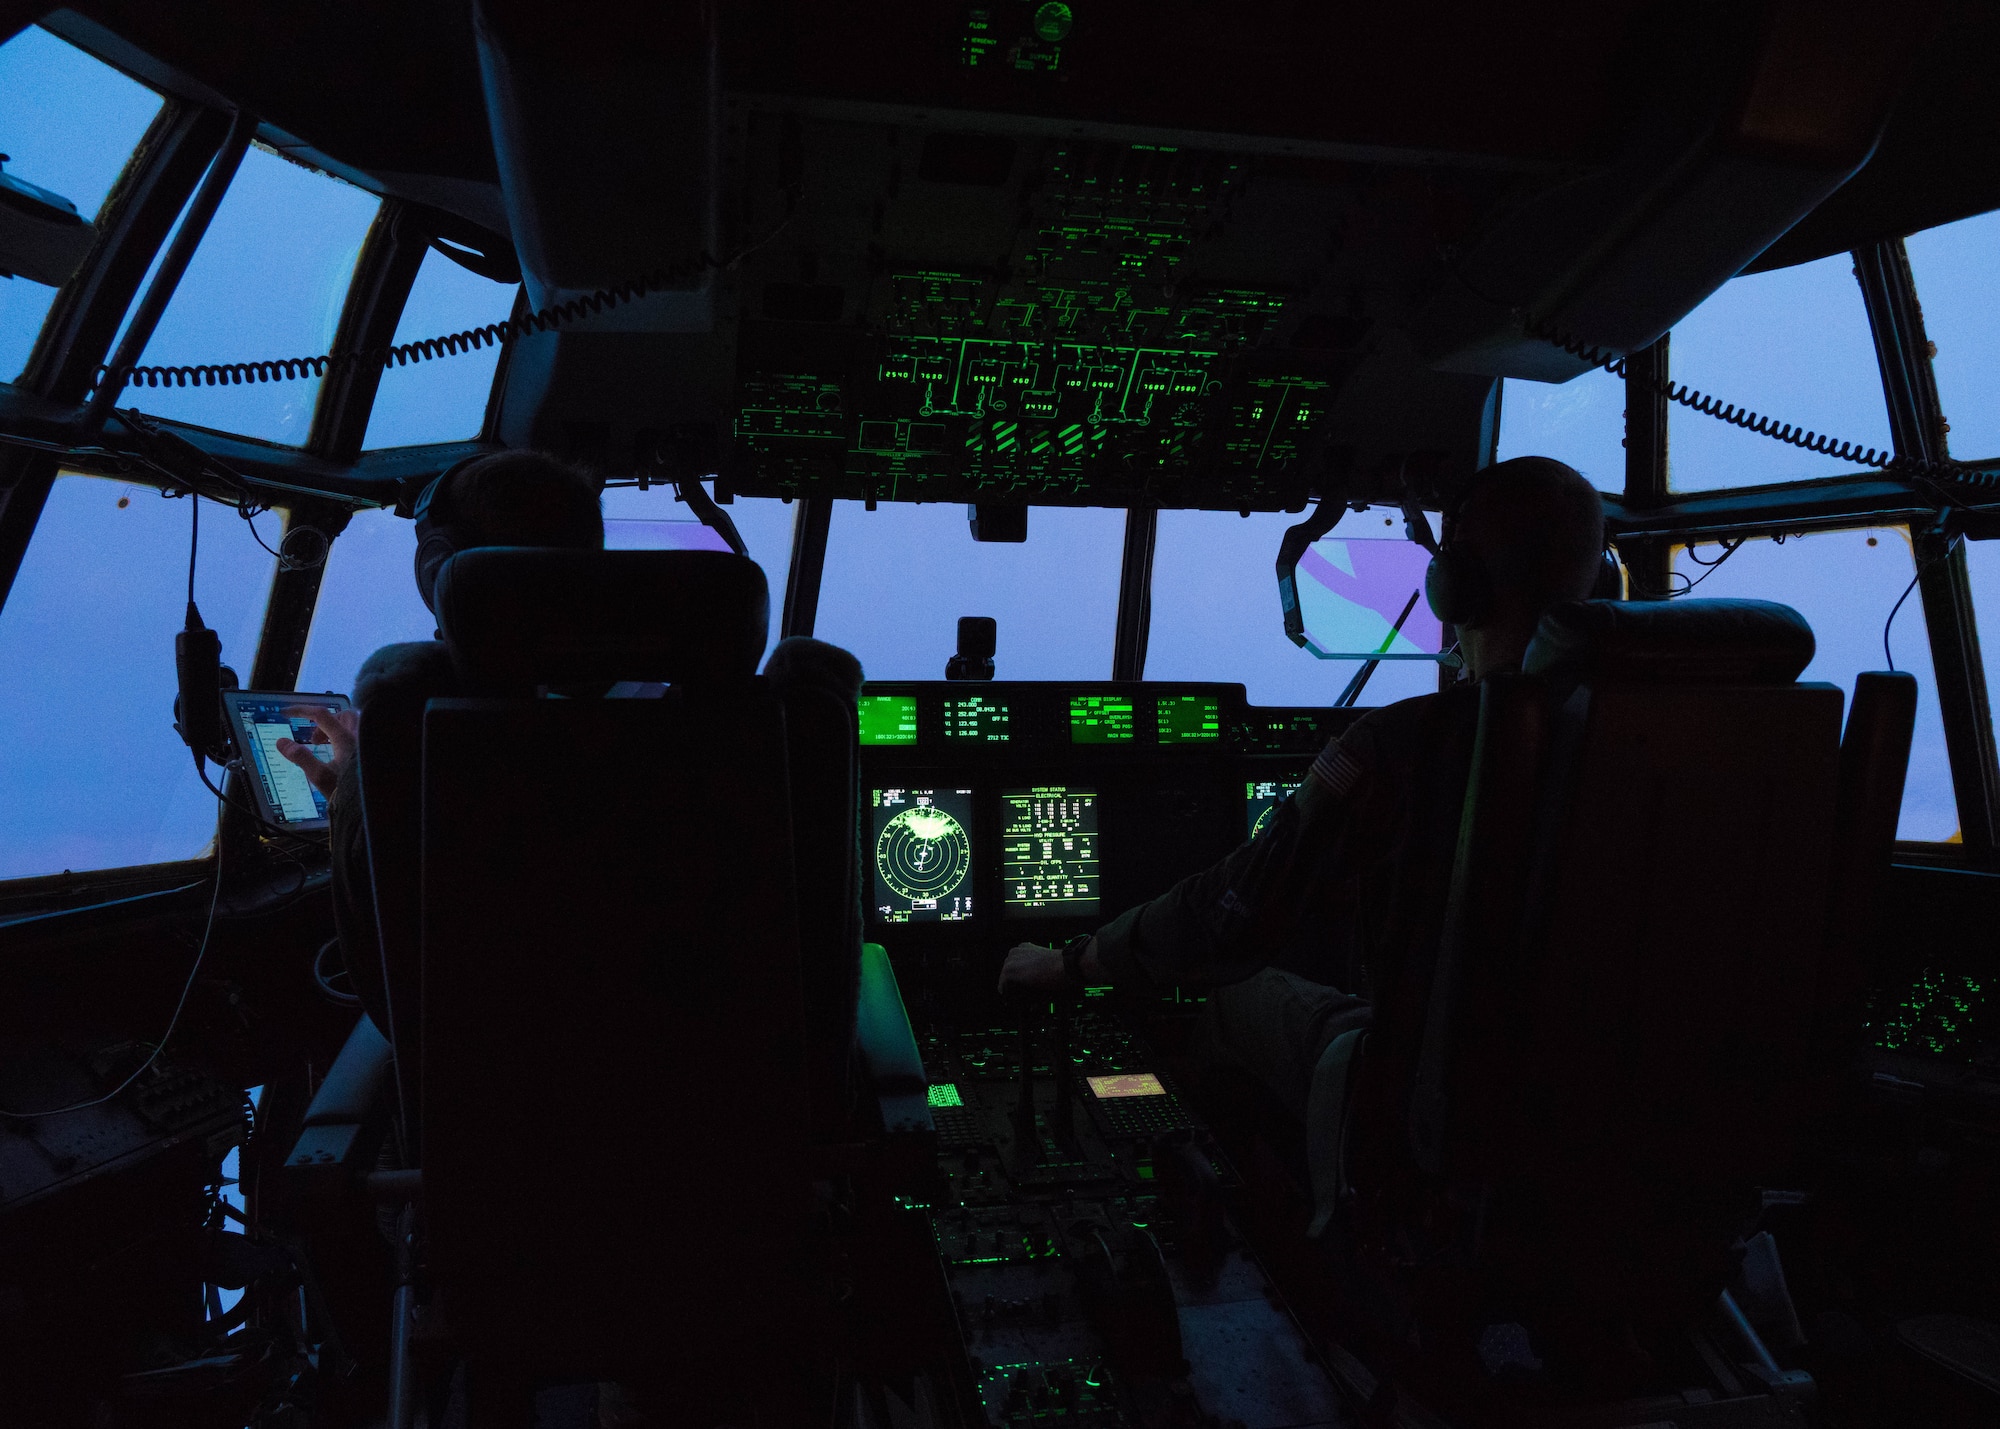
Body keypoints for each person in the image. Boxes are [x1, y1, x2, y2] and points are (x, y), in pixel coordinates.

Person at [998, 456, 1607, 1226]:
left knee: (1236, 994)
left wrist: (1072, 962)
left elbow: (1233, 914)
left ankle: (1307, 1240)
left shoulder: (1402, 746)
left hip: (1439, 1119)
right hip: (1622, 1120)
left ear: (1454, 589)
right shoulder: (1676, 747)